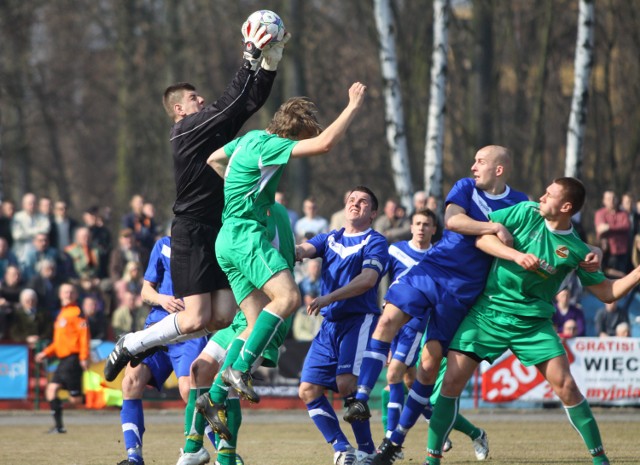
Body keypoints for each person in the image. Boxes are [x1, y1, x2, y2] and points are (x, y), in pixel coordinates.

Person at [103, 20, 289, 382]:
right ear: (179, 110)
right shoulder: (185, 131)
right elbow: (228, 103)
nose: (200, 100)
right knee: (194, 318)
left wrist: (270, 64)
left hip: (217, 231)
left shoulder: (207, 128)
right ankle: (133, 343)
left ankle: (156, 347)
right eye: (193, 99)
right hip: (190, 229)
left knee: (221, 316)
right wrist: (250, 56)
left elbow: (245, 103)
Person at [424, 177, 640, 465]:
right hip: (488, 313)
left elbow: (607, 292)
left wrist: (637, 273)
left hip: (533, 324)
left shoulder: (576, 250)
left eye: (549, 194)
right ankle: (432, 460)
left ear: (565, 206)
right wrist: (515, 255)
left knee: (567, 386)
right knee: (450, 383)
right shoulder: (525, 212)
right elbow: (483, 237)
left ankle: (601, 460)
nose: (541, 196)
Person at [344, 146, 528, 450]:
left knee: (428, 367)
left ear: (499, 169)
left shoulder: (521, 203)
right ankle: (361, 399)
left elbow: (546, 230)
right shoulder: (465, 187)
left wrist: (588, 250)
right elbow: (454, 221)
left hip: (463, 290)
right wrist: (494, 226)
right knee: (387, 319)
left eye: (480, 161)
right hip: (433, 269)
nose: (473, 166)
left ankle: (395, 443)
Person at [200, 81, 367, 408]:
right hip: (246, 235)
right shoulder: (272, 145)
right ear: (297, 134)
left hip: (226, 239)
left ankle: (214, 398)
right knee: (288, 297)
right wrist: (353, 106)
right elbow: (326, 144)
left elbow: (214, 160)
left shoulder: (249, 138)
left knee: (254, 322)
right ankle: (241, 369)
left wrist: (242, 192)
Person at [180, 202, 295, 465]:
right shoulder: (240, 211)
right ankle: (193, 448)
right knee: (199, 369)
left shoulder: (268, 213)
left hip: (263, 315)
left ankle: (226, 458)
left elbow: (275, 261)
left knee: (228, 381)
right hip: (241, 317)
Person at [295, 186, 388, 465]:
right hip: (329, 325)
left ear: (373, 213)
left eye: (363, 202)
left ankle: (367, 450)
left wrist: (328, 297)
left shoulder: (376, 241)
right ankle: (341, 448)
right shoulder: (331, 237)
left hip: (358, 320)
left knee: (346, 383)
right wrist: (277, 243)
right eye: (351, 199)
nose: (355, 204)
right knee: (308, 390)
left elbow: (368, 280)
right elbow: (301, 250)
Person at [116, 235, 208, 465]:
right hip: (157, 329)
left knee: (190, 390)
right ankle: (134, 456)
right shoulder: (163, 245)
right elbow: (146, 291)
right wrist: (162, 299)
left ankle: (224, 453)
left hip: (190, 333)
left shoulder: (207, 245)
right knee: (130, 382)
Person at [34, 283, 90, 434]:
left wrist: (84, 357)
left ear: (76, 295)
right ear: (60, 295)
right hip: (63, 360)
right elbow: (58, 342)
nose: (68, 294)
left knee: (75, 400)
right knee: (51, 390)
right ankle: (59, 427)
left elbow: (84, 336)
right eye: (65, 292)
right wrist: (45, 353)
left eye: (71, 292)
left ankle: (95, 398)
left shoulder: (77, 312)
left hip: (72, 359)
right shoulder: (61, 314)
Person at [594, 190, 631, 277]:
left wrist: (609, 227)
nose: (612, 201)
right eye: (609, 198)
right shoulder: (600, 213)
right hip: (607, 252)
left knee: (622, 277)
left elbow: (626, 226)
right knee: (608, 276)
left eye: (614, 198)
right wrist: (617, 228)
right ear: (604, 201)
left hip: (622, 251)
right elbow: (600, 229)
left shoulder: (623, 214)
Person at [11, 193, 51, 262]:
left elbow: (46, 230)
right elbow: (17, 235)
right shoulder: (17, 217)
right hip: (21, 253)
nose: (32, 206)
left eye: (34, 203)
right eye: (30, 203)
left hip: (40, 253)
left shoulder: (43, 217)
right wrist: (37, 232)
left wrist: (26, 232)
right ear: (23, 204)